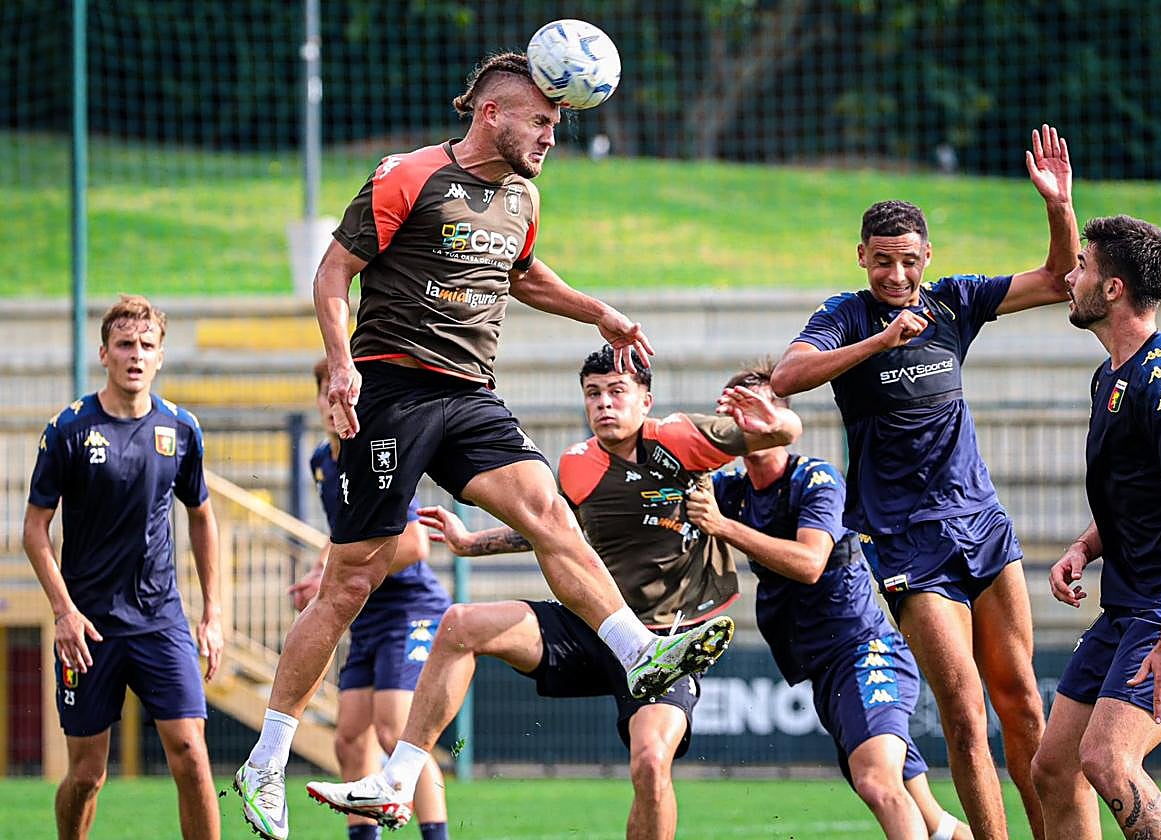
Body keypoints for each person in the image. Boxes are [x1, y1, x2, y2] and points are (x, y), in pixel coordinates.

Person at [236, 53, 734, 839]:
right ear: (492, 115)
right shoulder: (408, 175)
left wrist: (596, 311)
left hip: (469, 395)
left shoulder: (523, 198)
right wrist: (339, 363)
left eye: (559, 124)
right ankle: (266, 759)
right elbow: (334, 274)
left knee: (547, 512)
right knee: (349, 583)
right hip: (393, 390)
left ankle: (639, 652)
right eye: (542, 121)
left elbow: (524, 275)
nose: (553, 137)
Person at [304, 345, 801, 838]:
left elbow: (780, 435)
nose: (604, 403)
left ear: (645, 401)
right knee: (461, 624)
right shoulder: (577, 464)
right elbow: (549, 530)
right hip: (595, 630)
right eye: (593, 393)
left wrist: (774, 422)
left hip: (667, 642)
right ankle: (397, 780)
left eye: (617, 391)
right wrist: (471, 543)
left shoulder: (681, 438)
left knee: (650, 763)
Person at [769, 124, 1078, 840]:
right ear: (862, 258)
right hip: (907, 541)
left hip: (982, 523)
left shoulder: (954, 302)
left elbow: (1057, 277)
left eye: (909, 262)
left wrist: (1058, 207)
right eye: (882, 263)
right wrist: (879, 339)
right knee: (966, 713)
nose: (897, 277)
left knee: (1024, 702)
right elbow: (784, 377)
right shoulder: (843, 316)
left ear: (928, 257)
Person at [684, 361, 970, 840]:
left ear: (782, 420)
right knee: (931, 821)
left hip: (865, 652)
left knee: (878, 783)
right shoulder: (730, 491)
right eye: (734, 411)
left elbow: (810, 562)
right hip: (825, 668)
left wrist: (724, 527)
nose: (745, 422)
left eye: (756, 409)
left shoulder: (816, 479)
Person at [22, 294, 223, 840]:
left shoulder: (181, 430)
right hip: (87, 628)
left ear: (161, 357)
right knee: (87, 775)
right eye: (126, 345)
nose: (136, 355)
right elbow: (34, 529)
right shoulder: (67, 430)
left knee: (191, 754)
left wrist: (213, 613)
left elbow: (203, 517)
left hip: (161, 620)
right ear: (105, 354)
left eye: (147, 346)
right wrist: (63, 612)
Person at [1028, 215, 1161, 840]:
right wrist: (1085, 544)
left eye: (1082, 267)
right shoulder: (1111, 376)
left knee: (1107, 759)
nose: (1069, 277)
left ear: (1112, 289)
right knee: (1053, 768)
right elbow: (1139, 497)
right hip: (1127, 606)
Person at [288, 359, 451, 840]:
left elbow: (417, 544)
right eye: (327, 393)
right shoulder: (322, 459)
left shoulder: (380, 452)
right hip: (366, 611)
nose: (335, 403)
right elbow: (344, 536)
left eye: (344, 395)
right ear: (320, 400)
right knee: (348, 736)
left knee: (396, 732)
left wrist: (330, 581)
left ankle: (436, 835)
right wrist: (321, 571)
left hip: (412, 609)